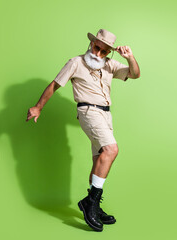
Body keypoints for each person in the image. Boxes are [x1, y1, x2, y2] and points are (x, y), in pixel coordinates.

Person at [26, 29, 140, 231]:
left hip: (106, 114)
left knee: (100, 159)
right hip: (89, 111)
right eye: (96, 48)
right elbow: (55, 85)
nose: (98, 54)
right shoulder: (75, 63)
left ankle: (92, 204)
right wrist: (38, 107)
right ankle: (91, 204)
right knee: (111, 150)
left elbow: (134, 74)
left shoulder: (110, 65)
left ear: (108, 53)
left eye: (104, 51)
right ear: (92, 43)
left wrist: (130, 57)